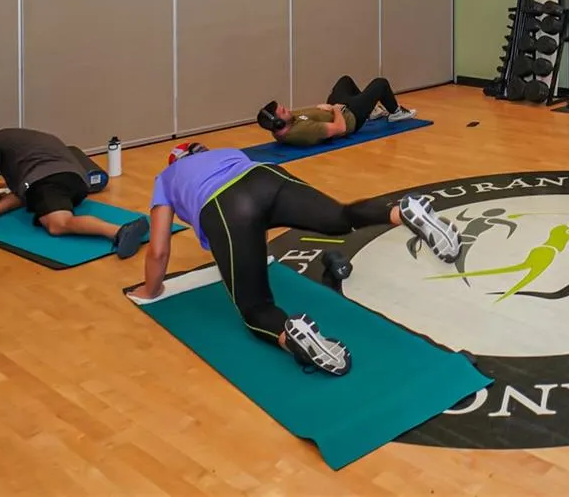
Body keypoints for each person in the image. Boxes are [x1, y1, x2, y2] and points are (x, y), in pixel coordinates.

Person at [129, 141, 462, 376]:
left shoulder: (166, 178)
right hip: (266, 177)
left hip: (225, 205)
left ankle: (292, 336)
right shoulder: (226, 152)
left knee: (255, 308)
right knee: (340, 217)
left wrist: (150, 290)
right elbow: (255, 209)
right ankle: (399, 211)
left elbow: (159, 250)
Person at [0, 128, 148, 258]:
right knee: (32, 196)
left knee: (58, 224)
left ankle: (120, 231)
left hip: (48, 180)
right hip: (77, 181)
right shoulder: (27, 141)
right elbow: (23, 193)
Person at [257, 75, 415, 148]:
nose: (288, 110)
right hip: (350, 117)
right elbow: (341, 128)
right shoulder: (303, 131)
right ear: (278, 122)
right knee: (380, 83)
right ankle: (396, 113)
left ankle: (370, 111)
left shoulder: (281, 127)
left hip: (337, 108)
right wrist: (335, 109)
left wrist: (328, 107)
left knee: (345, 81)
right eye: (283, 111)